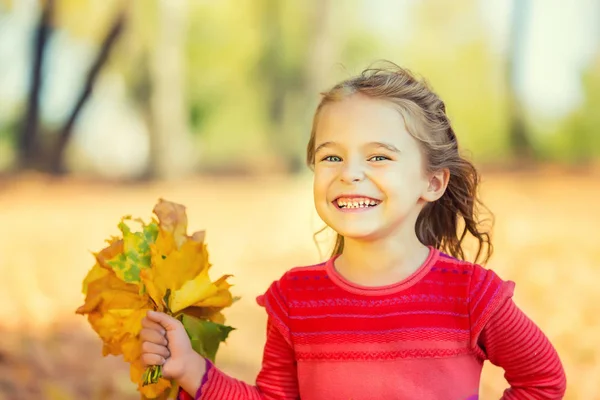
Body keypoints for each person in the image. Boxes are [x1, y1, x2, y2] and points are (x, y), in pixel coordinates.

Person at [140, 63, 567, 399]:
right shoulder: (295, 300)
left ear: (432, 182)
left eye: (379, 157)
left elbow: (543, 381)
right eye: (331, 158)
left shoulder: (472, 295)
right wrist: (191, 371)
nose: (351, 174)